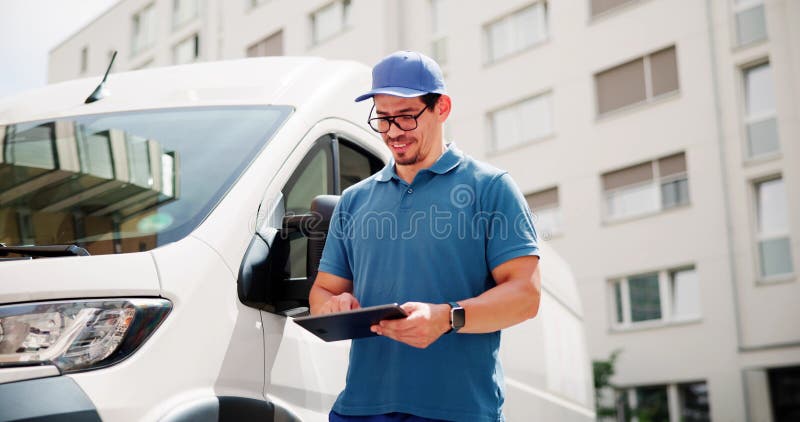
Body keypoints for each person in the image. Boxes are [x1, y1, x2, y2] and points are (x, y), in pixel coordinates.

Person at [309, 50, 541, 422]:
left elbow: (525, 295)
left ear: (441, 108)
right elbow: (322, 293)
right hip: (359, 409)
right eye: (383, 118)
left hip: (458, 411)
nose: (392, 131)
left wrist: (447, 318)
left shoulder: (491, 188)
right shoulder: (354, 201)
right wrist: (334, 306)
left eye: (406, 116)